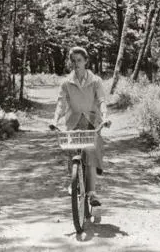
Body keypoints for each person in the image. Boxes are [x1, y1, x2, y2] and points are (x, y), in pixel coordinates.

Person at [51, 46, 110, 207]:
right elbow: (61, 103)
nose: (76, 64)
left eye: (79, 60)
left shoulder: (95, 81)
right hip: (74, 122)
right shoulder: (66, 83)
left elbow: (101, 100)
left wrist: (105, 117)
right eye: (73, 61)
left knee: (90, 152)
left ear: (86, 62)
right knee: (72, 152)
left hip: (92, 122)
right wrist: (55, 119)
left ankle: (92, 194)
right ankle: (74, 180)